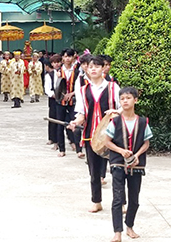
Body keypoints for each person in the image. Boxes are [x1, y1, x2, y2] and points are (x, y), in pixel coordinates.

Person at [68, 56, 120, 213]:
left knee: (117, 170)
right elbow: (82, 113)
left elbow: (123, 108)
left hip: (112, 135)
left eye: (97, 66)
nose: (93, 69)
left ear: (103, 68)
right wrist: (75, 122)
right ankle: (96, 201)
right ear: (86, 69)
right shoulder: (83, 90)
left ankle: (121, 202)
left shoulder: (113, 87)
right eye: (90, 67)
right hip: (91, 135)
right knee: (94, 171)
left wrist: (116, 112)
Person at [104, 87, 152, 242]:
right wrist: (121, 151)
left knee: (134, 199)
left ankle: (129, 226)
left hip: (136, 166)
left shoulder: (143, 122)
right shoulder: (115, 121)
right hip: (118, 164)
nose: (125, 101)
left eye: (128, 98)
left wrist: (137, 155)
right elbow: (107, 141)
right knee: (118, 198)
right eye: (122, 98)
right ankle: (117, 232)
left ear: (135, 100)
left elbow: (146, 143)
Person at [56, 49, 79, 157]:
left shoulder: (77, 71)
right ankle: (62, 149)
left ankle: (78, 148)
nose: (67, 59)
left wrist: (72, 93)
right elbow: (54, 87)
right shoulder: (58, 71)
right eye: (65, 57)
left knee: (75, 123)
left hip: (73, 101)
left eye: (69, 56)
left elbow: (80, 86)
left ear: (73, 57)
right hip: (60, 102)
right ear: (62, 58)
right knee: (60, 124)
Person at [43, 59, 58, 150]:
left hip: (61, 97)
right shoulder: (48, 76)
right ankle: (52, 138)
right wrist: (52, 94)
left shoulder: (58, 73)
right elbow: (47, 88)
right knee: (52, 117)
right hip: (53, 98)